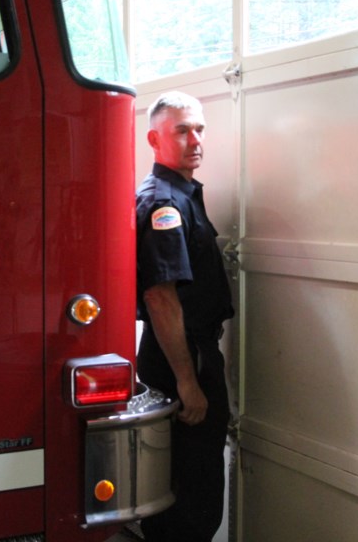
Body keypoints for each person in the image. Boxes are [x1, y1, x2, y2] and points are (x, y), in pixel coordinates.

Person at [135, 91, 233, 542]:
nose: (195, 139)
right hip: (182, 359)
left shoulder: (183, 194)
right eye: (182, 130)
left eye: (200, 129)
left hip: (188, 352)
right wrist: (187, 382)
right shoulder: (164, 205)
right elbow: (160, 298)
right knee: (190, 501)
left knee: (190, 494)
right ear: (155, 139)